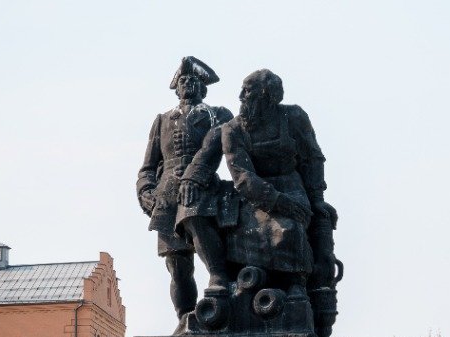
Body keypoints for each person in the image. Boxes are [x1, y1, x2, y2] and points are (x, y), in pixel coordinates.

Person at [182, 68, 330, 296]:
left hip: (291, 186)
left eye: (248, 90)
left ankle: (296, 283)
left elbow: (312, 158)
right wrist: (278, 201)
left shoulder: (294, 117)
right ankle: (246, 281)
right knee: (262, 229)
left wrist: (317, 199)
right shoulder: (232, 129)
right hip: (255, 194)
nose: (241, 96)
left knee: (291, 229)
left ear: (266, 94)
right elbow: (242, 176)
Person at [137, 57, 233, 321]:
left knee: (199, 229)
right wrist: (145, 192)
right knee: (177, 266)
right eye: (183, 80)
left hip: (202, 188)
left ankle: (219, 285)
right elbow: (147, 167)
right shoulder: (162, 120)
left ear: (203, 88)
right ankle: (185, 320)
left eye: (194, 80)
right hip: (167, 196)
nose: (188, 83)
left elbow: (224, 152)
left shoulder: (218, 115)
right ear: (176, 88)